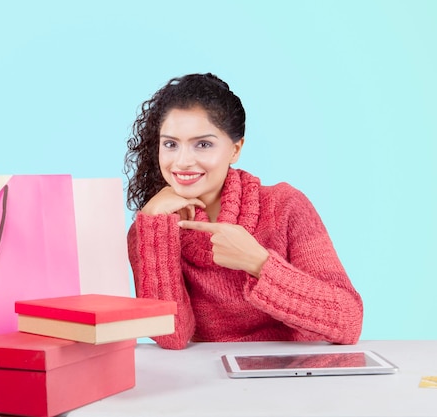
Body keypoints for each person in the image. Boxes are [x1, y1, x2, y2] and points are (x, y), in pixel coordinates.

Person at [124, 73, 363, 350]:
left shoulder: (284, 206)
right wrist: (155, 226)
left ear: (235, 149)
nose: (183, 161)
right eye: (170, 144)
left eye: (203, 144)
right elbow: (172, 336)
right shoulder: (151, 228)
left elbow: (348, 320)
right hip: (209, 379)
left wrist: (259, 263)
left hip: (294, 375)